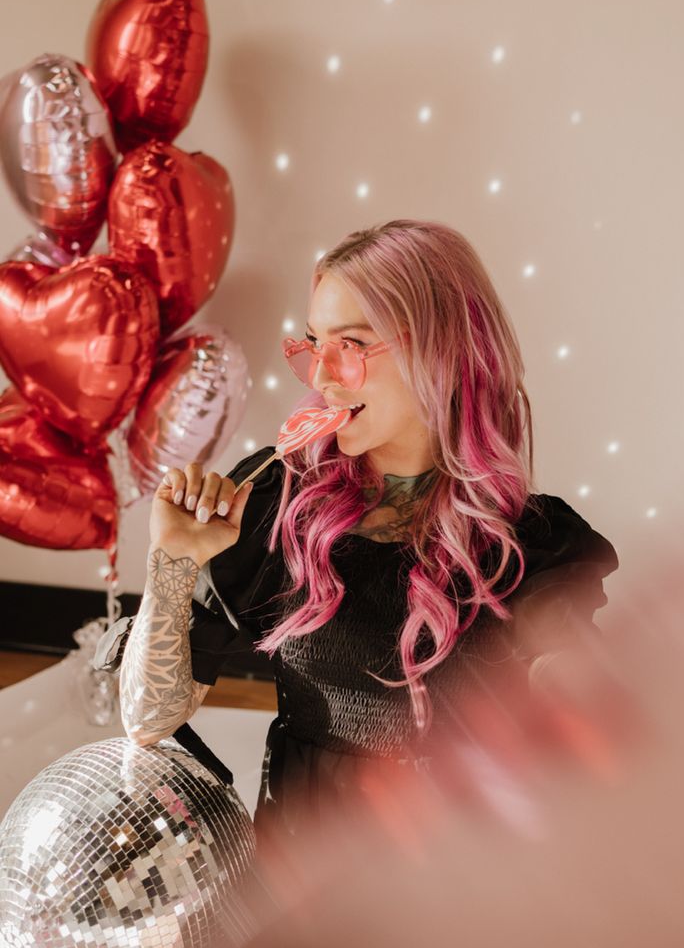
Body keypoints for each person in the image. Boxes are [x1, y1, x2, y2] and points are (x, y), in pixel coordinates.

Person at [101, 218, 619, 844]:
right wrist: (173, 563)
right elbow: (146, 722)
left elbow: (579, 699)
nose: (321, 378)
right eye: (314, 345)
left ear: (438, 347)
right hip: (299, 877)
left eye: (349, 344)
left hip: (451, 890)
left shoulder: (528, 545)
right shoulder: (277, 504)